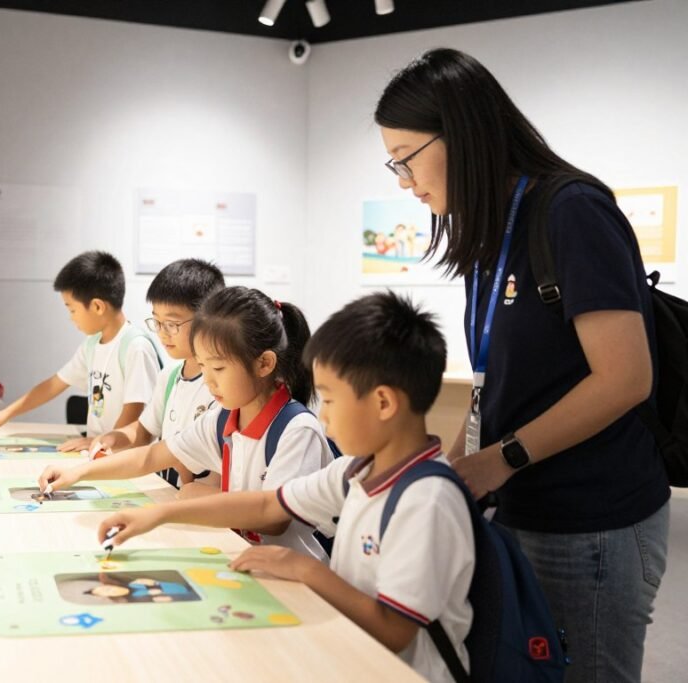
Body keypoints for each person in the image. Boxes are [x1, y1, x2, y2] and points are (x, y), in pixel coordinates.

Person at [376, 47, 669, 682]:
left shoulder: (570, 211)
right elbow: (494, 384)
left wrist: (497, 460)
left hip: (593, 522)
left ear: (458, 133)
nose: (404, 181)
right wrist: (449, 467)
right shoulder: (490, 231)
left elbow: (625, 379)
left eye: (406, 158)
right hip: (520, 511)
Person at [96, 292, 474, 682]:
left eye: (329, 400)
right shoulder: (355, 472)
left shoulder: (427, 500)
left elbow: (395, 631)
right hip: (351, 652)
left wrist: (304, 569)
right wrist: (157, 514)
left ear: (383, 403)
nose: (322, 417)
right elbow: (266, 506)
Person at [39, 286, 335, 557]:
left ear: (264, 364)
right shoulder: (223, 419)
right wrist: (78, 473)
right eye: (203, 366)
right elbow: (152, 456)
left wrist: (164, 512)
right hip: (246, 560)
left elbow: (272, 518)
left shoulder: (296, 430)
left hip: (297, 581)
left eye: (218, 367)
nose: (208, 379)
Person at [0, 251, 161, 451]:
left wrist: (102, 443)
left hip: (125, 458)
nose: (71, 318)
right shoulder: (92, 345)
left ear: (97, 306)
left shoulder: (135, 347)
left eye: (72, 310)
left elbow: (134, 412)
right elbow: (53, 385)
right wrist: (5, 414)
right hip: (101, 453)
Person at [89, 258, 225, 488]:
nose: (162, 334)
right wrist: (116, 437)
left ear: (209, 319)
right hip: (166, 495)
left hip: (199, 505)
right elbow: (143, 431)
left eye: (171, 324)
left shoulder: (222, 385)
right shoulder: (170, 375)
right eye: (157, 322)